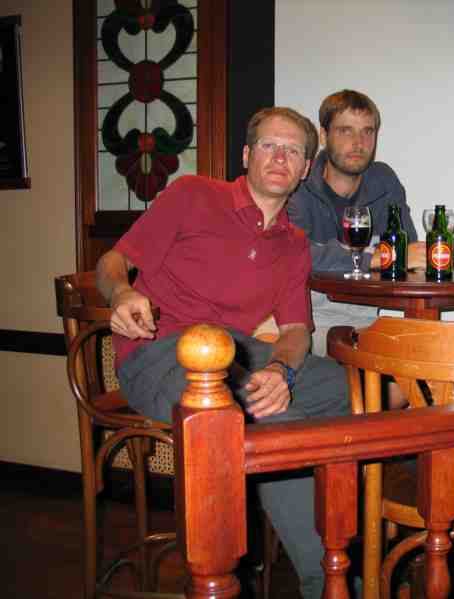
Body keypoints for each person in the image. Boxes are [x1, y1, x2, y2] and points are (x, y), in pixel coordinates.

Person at [96, 106, 351, 599]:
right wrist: (121, 294)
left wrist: (282, 369)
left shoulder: (294, 242)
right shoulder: (193, 195)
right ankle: (331, 583)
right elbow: (115, 260)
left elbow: (297, 330)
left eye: (293, 151)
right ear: (247, 155)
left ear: (304, 169)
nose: (280, 157)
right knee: (270, 417)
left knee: (361, 390)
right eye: (270, 146)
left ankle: (358, 539)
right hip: (163, 352)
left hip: (237, 352)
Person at [287, 89, 426, 357]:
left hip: (366, 319)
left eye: (367, 131)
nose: (358, 142)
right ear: (325, 136)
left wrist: (397, 256)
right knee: (405, 369)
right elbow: (296, 253)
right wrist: (373, 259)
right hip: (308, 321)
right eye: (345, 131)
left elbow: (406, 247)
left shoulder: (383, 180)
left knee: (431, 353)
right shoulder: (299, 184)